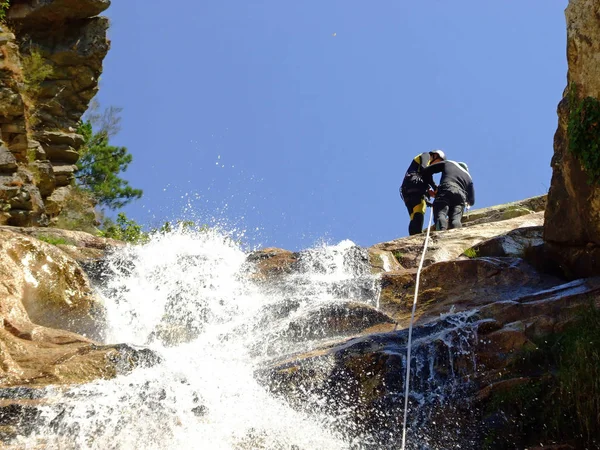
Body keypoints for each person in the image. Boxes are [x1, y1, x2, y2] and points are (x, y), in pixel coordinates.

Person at [400, 150, 446, 235]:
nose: (435, 165)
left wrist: (428, 192)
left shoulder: (419, 163)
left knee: (414, 216)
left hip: (407, 189)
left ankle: (413, 235)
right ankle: (416, 236)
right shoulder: (426, 155)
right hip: (414, 185)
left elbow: (423, 175)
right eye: (438, 162)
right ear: (435, 155)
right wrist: (435, 187)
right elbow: (425, 170)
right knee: (420, 210)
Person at [421, 160, 475, 231]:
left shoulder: (449, 163)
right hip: (461, 196)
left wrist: (434, 187)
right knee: (455, 219)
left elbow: (427, 170)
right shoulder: (469, 177)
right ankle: (456, 235)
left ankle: (441, 233)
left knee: (441, 214)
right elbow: (472, 201)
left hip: (446, 189)